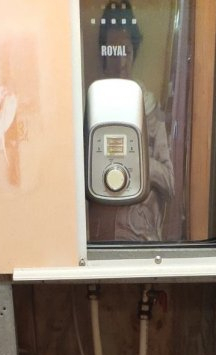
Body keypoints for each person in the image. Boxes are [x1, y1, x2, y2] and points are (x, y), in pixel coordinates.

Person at [87, 1, 175, 243]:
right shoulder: (89, 105)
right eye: (113, 52)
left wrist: (142, 164)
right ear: (104, 54)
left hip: (141, 238)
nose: (121, 62)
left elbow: (171, 183)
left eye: (126, 51)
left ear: (134, 52)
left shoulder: (151, 110)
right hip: (97, 238)